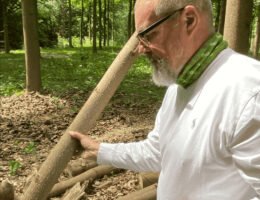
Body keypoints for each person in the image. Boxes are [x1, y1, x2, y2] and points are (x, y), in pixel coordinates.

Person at [70, 0, 260, 199]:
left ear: (189, 20)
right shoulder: (177, 86)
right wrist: (101, 150)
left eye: (149, 35)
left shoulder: (249, 92)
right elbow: (159, 152)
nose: (141, 49)